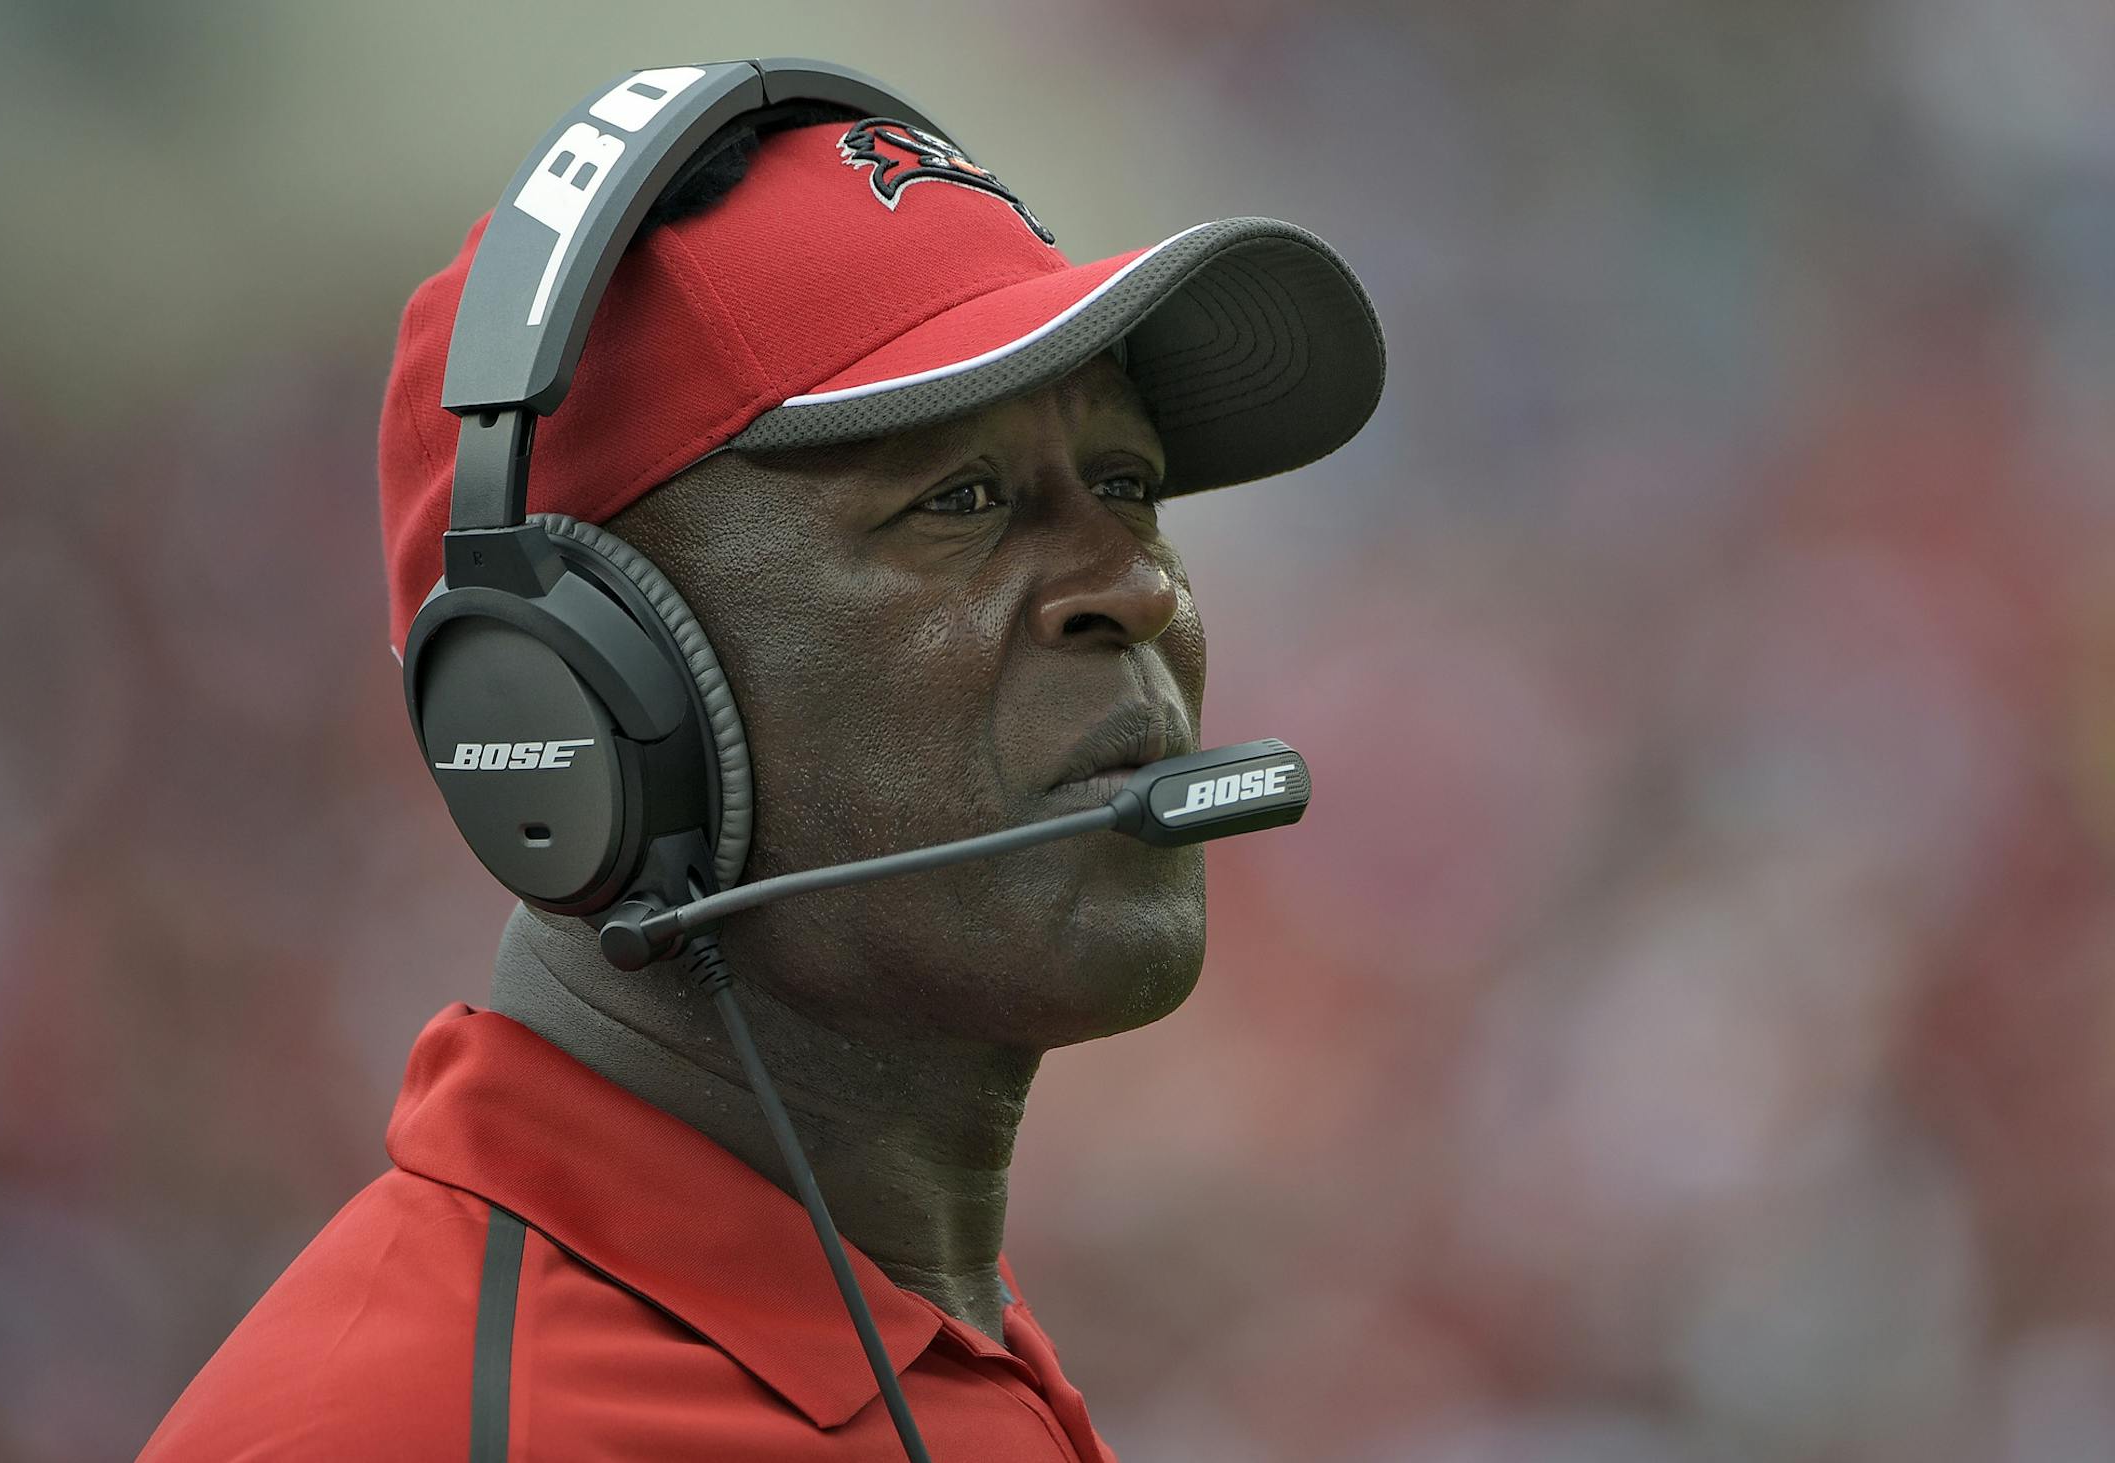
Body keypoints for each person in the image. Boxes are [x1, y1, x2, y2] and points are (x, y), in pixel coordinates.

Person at [139, 82, 1383, 1461]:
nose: (1136, 589)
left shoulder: (928, 1343)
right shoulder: (416, 1430)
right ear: (580, 694)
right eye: (962, 499)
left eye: (1130, 485)